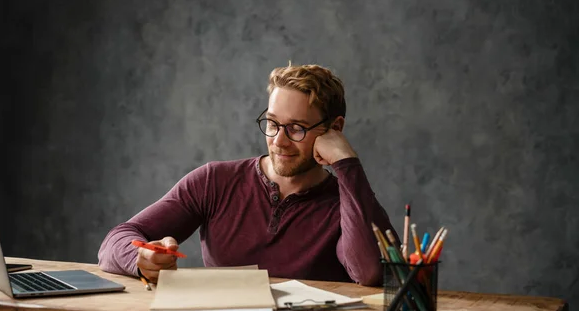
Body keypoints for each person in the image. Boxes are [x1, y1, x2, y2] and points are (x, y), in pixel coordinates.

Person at [98, 64, 397, 286]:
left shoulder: (345, 206)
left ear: (335, 129)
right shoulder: (214, 181)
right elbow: (116, 240)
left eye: (296, 128)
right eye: (272, 123)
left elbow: (371, 272)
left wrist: (347, 164)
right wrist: (141, 260)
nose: (279, 141)